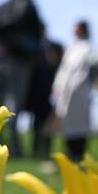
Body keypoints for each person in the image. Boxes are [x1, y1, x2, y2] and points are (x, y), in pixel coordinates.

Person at [0, 0, 45, 156]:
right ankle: (13, 147)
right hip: (18, 60)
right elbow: (38, 33)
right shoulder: (29, 5)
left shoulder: (1, 6)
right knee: (14, 102)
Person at [53, 21, 95, 161]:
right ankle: (69, 155)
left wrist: (75, 86)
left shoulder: (87, 48)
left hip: (79, 91)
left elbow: (83, 71)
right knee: (67, 125)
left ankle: (79, 155)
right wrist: (58, 87)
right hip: (66, 92)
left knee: (79, 125)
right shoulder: (71, 49)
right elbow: (63, 71)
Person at [26, 31, 63, 159]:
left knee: (49, 124)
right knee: (36, 124)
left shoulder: (54, 47)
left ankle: (47, 151)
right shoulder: (34, 49)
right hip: (37, 94)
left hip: (50, 93)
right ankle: (36, 151)